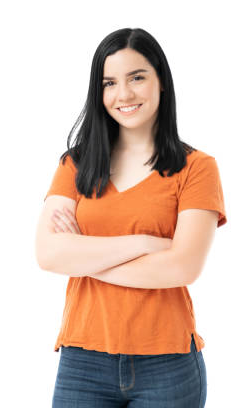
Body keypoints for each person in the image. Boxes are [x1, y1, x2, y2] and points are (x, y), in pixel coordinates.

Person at [35, 27, 227, 408]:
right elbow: (48, 254)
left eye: (136, 77)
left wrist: (86, 258)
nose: (123, 94)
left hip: (167, 363)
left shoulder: (197, 168)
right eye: (109, 82)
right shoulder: (75, 165)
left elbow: (183, 267)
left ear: (162, 83)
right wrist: (143, 244)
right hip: (83, 359)